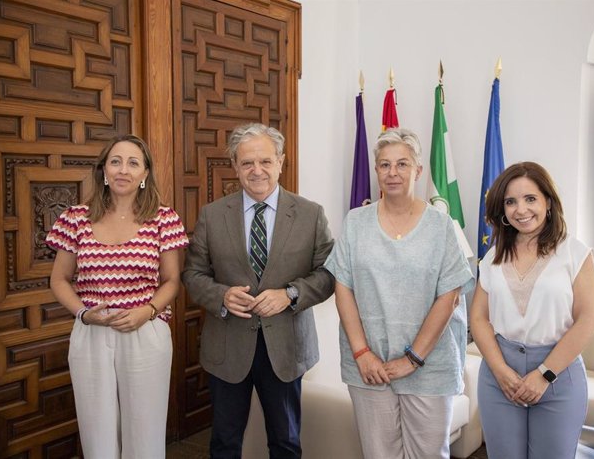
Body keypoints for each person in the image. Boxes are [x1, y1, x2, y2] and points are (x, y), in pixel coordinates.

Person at [182, 123, 335, 459]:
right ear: (235, 167)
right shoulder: (211, 215)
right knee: (224, 442)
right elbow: (192, 274)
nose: (257, 171)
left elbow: (328, 274)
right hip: (228, 346)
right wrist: (220, 295)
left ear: (281, 162)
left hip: (286, 347)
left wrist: (290, 294)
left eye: (265, 161)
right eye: (247, 163)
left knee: (286, 442)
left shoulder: (310, 214)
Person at [324, 128, 474, 459]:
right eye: (384, 165)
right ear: (376, 171)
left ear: (418, 171)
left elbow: (450, 296)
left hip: (430, 366)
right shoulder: (355, 222)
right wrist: (362, 354)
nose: (393, 173)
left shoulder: (441, 225)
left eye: (402, 164)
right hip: (369, 366)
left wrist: (412, 359)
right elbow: (342, 287)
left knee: (428, 455)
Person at [46, 134, 189, 458]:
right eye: (116, 161)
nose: (123, 169)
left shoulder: (164, 219)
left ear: (145, 174)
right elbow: (59, 280)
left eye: (133, 162)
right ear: (104, 170)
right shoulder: (75, 218)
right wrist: (84, 313)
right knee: (97, 434)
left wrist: (147, 311)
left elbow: (171, 281)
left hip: (144, 331)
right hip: (91, 333)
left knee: (145, 431)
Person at [469, 161, 594, 459]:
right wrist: (501, 371)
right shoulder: (492, 257)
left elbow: (588, 319)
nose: (521, 209)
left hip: (558, 374)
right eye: (511, 201)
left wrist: (543, 374)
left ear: (548, 202)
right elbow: (478, 318)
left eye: (531, 199)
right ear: (502, 210)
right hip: (499, 376)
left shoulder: (575, 253)